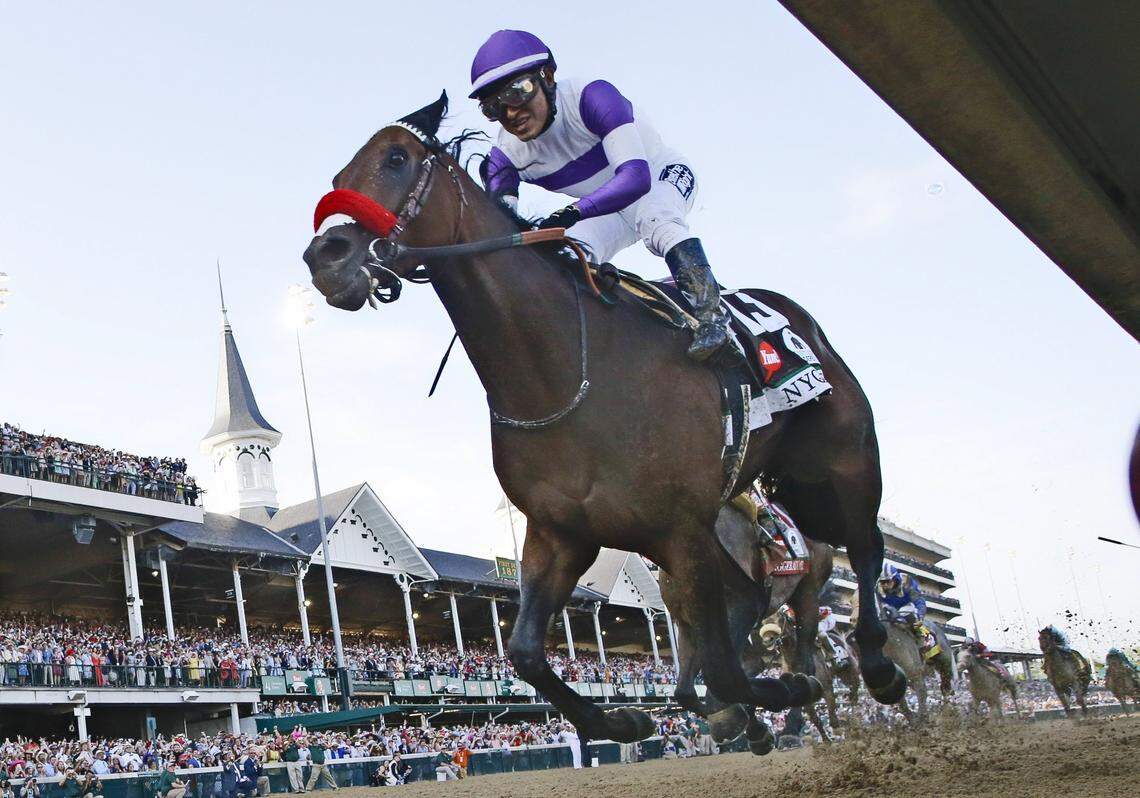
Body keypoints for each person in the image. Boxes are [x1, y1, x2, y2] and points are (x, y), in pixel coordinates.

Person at [470, 29, 729, 361]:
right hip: (605, 212)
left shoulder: (591, 96)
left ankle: (712, 318)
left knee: (657, 219)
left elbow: (636, 179)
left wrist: (575, 211)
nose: (510, 114)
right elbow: (502, 236)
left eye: (517, 92)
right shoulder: (504, 156)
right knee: (565, 254)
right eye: (493, 107)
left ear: (547, 76)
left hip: (658, 177)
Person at [876, 564, 931, 652]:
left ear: (894, 578)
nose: (885, 585)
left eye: (888, 581)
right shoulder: (878, 588)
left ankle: (921, 637)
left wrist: (920, 616)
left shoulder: (907, 582)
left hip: (907, 606)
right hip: (889, 608)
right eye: (882, 582)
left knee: (906, 611)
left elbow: (918, 600)